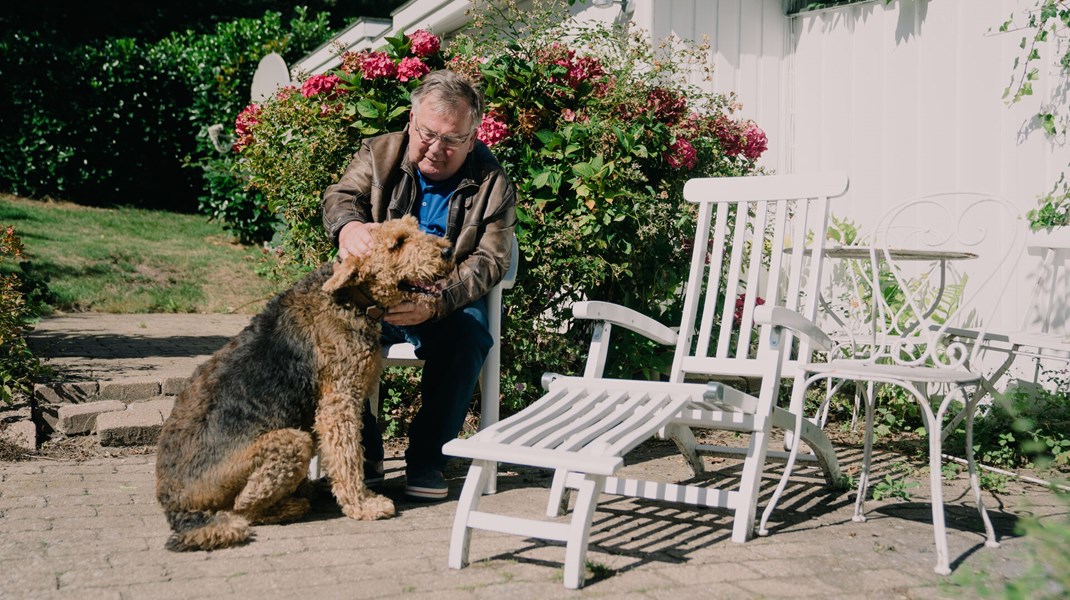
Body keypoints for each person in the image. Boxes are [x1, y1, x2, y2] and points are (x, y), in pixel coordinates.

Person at [321, 69, 517, 501]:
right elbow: (341, 197)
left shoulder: (493, 183)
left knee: (468, 337)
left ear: (472, 136)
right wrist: (348, 227)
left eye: (452, 140)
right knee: (328, 332)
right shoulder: (379, 153)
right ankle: (365, 453)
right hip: (375, 294)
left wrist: (438, 302)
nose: (436, 149)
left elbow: (490, 260)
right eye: (427, 134)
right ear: (412, 120)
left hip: (442, 297)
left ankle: (428, 459)